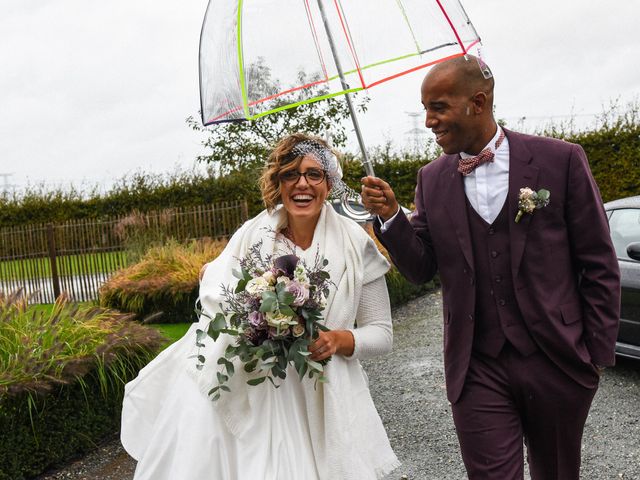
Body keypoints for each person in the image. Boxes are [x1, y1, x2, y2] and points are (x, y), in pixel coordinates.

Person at [361, 55, 620, 480]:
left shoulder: (561, 160)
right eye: (425, 108)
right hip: (476, 365)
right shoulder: (431, 179)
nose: (428, 121)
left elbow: (598, 263)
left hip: (556, 358)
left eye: (438, 107)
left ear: (477, 102)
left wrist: (593, 356)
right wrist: (392, 217)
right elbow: (421, 267)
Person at [121, 132, 400, 479]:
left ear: (329, 183)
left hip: (323, 396)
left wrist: (340, 340)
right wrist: (217, 280)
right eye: (291, 174)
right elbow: (217, 291)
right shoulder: (251, 235)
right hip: (260, 392)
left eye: (314, 174)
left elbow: (382, 333)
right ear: (278, 182)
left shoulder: (357, 246)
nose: (303, 184)